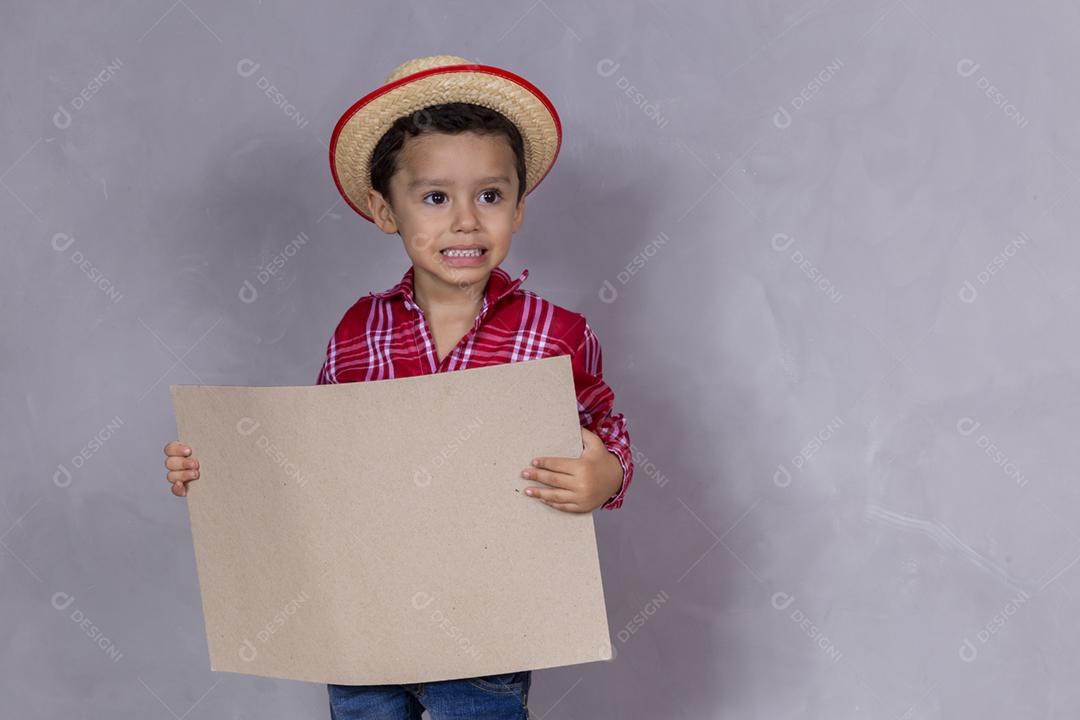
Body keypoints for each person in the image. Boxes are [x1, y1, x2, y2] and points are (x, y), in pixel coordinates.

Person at [162, 53, 634, 719]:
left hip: (487, 627)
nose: (466, 221)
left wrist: (604, 475)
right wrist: (218, 469)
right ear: (387, 211)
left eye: (490, 196)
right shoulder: (358, 331)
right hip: (364, 620)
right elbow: (311, 460)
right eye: (435, 197)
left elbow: (608, 435)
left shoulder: (557, 333)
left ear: (520, 209)